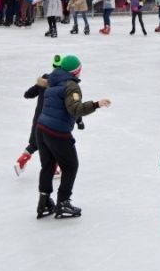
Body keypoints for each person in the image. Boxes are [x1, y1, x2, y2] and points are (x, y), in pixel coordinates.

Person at [34, 54, 110, 219]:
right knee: (70, 166)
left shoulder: (53, 80)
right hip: (57, 132)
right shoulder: (71, 86)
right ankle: (63, 203)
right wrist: (97, 104)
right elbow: (75, 109)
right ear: (77, 71)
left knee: (48, 165)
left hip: (41, 128)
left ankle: (44, 202)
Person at [15, 71, 49, 177]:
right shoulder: (64, 83)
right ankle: (55, 169)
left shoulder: (44, 80)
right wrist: (78, 119)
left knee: (35, 143)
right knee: (56, 144)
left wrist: (39, 86)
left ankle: (22, 160)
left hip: (38, 120)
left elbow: (28, 94)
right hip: (52, 120)